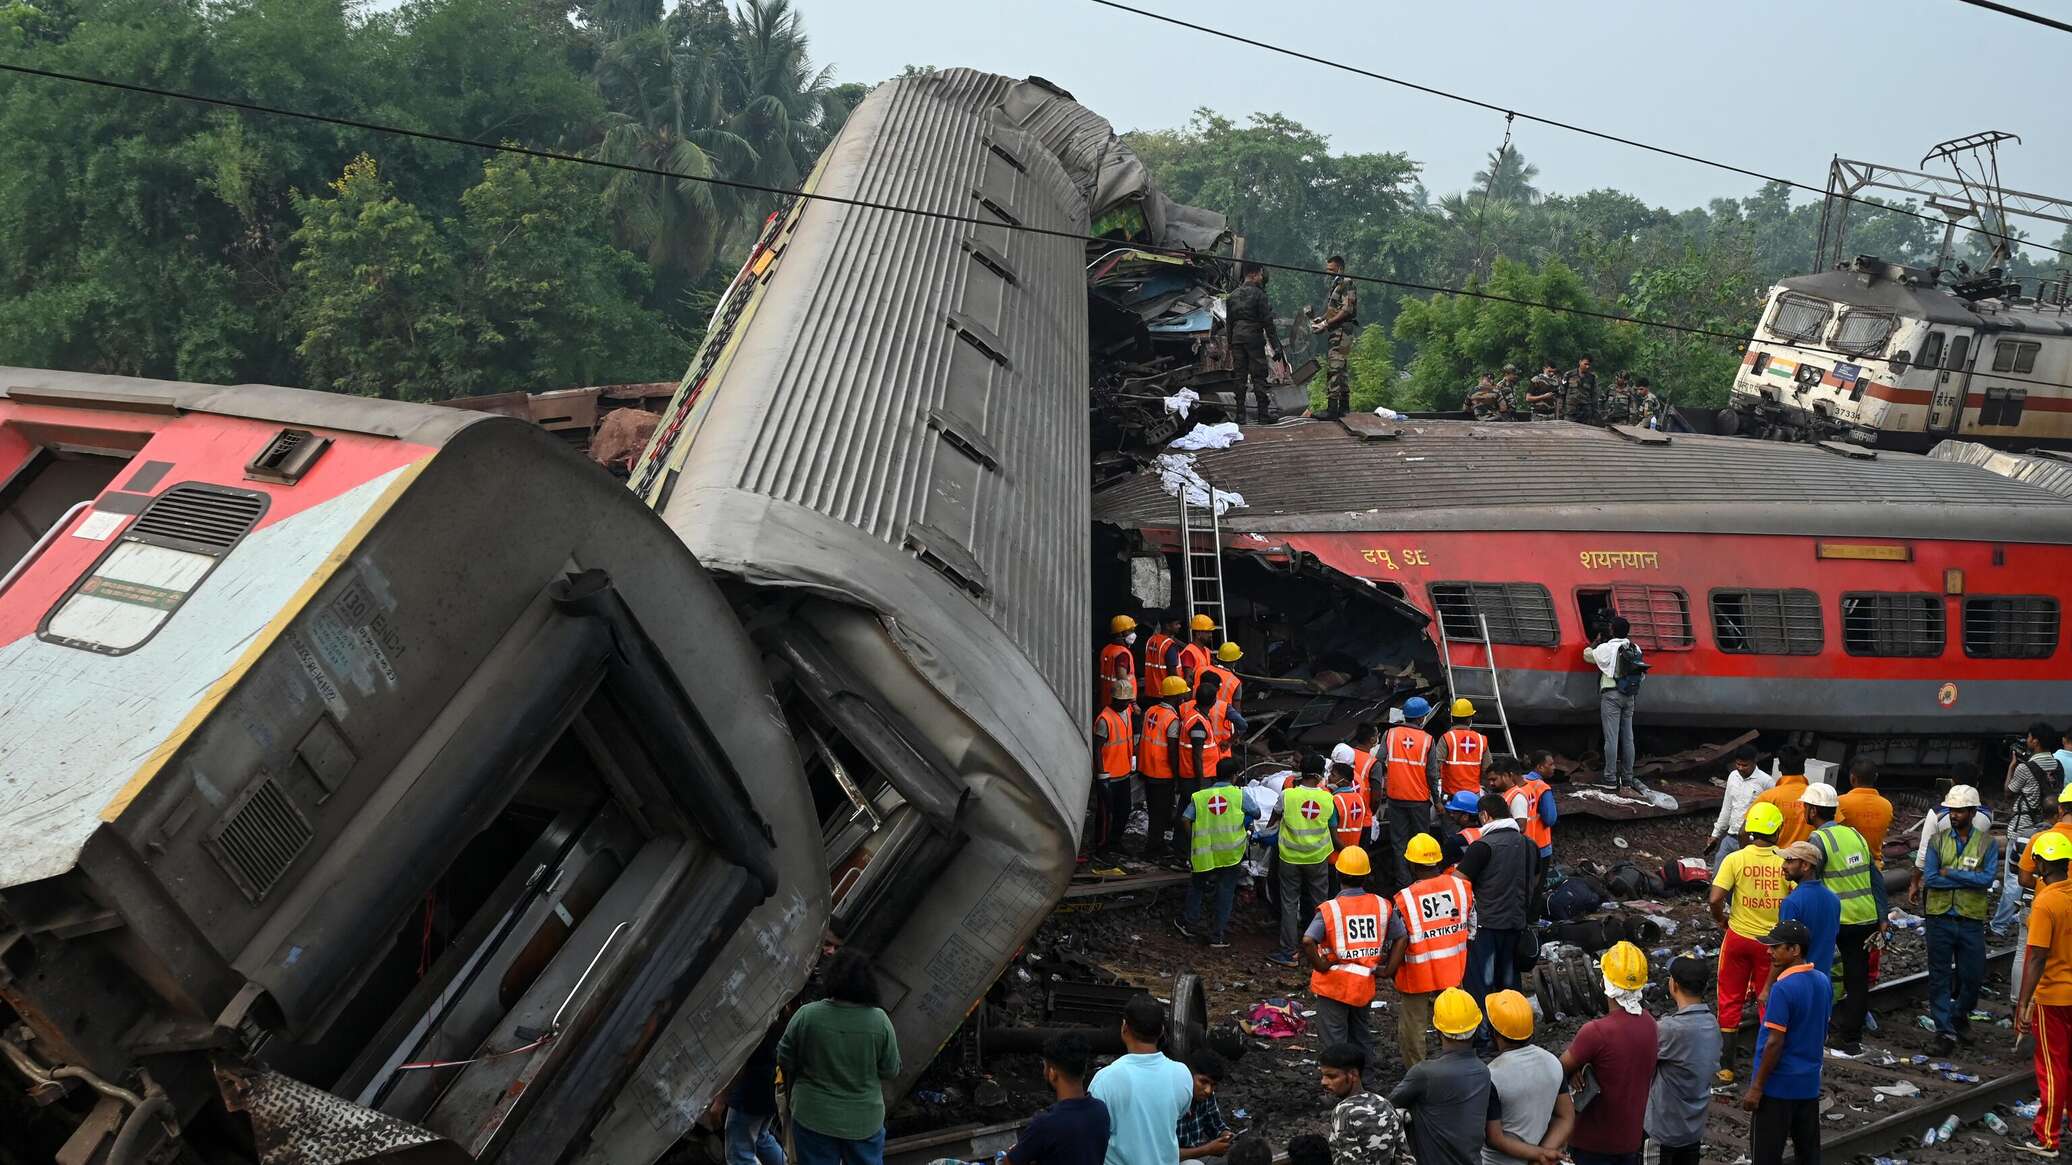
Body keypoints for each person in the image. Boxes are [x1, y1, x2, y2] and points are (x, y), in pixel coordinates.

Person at [779, 949, 901, 1165]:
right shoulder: (879, 1021)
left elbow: (785, 1058)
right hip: (864, 1121)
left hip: (812, 1115)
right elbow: (891, 1069)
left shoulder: (808, 1015)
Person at [1559, 943, 1657, 1165]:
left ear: (1604, 983)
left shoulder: (1596, 1032)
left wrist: (1575, 1068)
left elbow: (1557, 1070)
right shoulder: (1651, 1025)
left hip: (1593, 1144)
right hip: (1630, 1140)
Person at [1801, 783, 1881, 1054]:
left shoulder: (1818, 841)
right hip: (1865, 916)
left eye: (1805, 807)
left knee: (1819, 972)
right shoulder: (1855, 834)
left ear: (1812, 811)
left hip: (1837, 919)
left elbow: (1810, 882)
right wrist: (1882, 916)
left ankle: (1818, 1027)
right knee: (1857, 979)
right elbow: (1875, 877)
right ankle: (1850, 1038)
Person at [1709, 802, 1786, 1083]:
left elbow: (1715, 898)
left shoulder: (1735, 859)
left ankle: (1726, 1068)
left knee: (1729, 1000)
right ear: (1778, 829)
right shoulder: (1784, 860)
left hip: (1738, 938)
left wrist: (1721, 919)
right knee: (1769, 1002)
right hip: (1772, 945)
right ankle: (1764, 1068)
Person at [1742, 921, 1829, 1165]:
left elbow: (1774, 1043)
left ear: (1795, 950)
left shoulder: (1783, 989)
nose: (1769, 951)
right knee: (1808, 1155)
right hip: (1808, 1085)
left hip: (1777, 1087)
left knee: (1766, 1157)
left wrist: (1757, 1087)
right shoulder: (1822, 981)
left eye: (1776, 947)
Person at [1921, 783, 1998, 1057]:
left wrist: (1949, 873)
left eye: (1960, 811)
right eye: (1951, 811)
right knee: (1939, 976)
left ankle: (1958, 1013)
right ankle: (1944, 1030)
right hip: (1939, 917)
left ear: (1972, 812)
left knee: (1973, 976)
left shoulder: (1987, 844)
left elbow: (1987, 880)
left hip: (1970, 919)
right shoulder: (1936, 841)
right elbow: (1930, 878)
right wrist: (1966, 879)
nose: (1953, 816)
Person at [1302, 846, 1396, 1059]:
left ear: (1338, 873)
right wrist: (1388, 969)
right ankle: (1365, 1080)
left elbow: (1308, 940)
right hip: (1363, 984)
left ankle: (1339, 1083)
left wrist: (1320, 964)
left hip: (1333, 984)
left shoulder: (1331, 908)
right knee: (1361, 1034)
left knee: (1334, 1041)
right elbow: (1401, 936)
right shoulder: (1381, 905)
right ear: (1367, 875)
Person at [1390, 834, 1474, 1069]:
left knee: (1413, 1028)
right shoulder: (1460, 887)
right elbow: (1473, 925)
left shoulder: (1405, 898)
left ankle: (1417, 1072)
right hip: (1453, 968)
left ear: (1412, 864)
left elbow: (1397, 938)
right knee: (1454, 1019)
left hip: (1418, 973)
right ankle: (1457, 1063)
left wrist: (1389, 968)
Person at [2016, 830, 2072, 1157]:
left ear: (2039, 864)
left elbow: (2036, 956)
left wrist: (2024, 1003)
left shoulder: (2047, 901)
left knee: (2053, 1067)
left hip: (2053, 998)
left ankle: (2046, 1137)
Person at [1389, 989, 1493, 1165]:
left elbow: (1390, 1105)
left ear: (1438, 1029)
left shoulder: (1424, 1073)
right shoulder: (1483, 1071)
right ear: (1475, 1028)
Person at [1089, 995, 1195, 1165]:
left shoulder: (1105, 1079)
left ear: (1124, 1028)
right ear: (1161, 1031)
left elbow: (1093, 1134)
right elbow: (1178, 1114)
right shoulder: (1182, 1074)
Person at [1458, 793, 1536, 1003]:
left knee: (1482, 986)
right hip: (1516, 923)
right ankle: (1513, 1028)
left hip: (1486, 926)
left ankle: (1484, 1034)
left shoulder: (1483, 846)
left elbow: (1457, 881)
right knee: (1510, 985)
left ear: (1484, 815)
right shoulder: (1529, 844)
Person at [1482, 989, 1574, 1165]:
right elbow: (1566, 1117)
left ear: (1495, 1033)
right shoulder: (1552, 1063)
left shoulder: (1492, 1075)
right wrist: (1542, 1155)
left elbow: (1494, 1138)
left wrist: (1539, 1155)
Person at [1644, 958, 1720, 1165]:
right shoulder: (1711, 1023)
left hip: (1662, 1131)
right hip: (1694, 1129)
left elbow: (1641, 1066)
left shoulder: (1669, 1028)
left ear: (1674, 984)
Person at [1179, 759, 1260, 948]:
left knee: (1197, 886)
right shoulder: (1239, 795)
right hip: (1231, 852)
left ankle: (1189, 924)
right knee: (1225, 891)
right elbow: (1256, 813)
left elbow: (1184, 818)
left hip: (1205, 851)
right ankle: (1217, 935)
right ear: (1234, 776)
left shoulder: (1200, 796)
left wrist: (1194, 838)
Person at [1268, 756, 1336, 967]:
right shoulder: (1327, 798)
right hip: (1317, 857)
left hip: (1289, 857)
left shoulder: (1287, 795)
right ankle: (1318, 948)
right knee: (1319, 904)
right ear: (1318, 775)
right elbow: (1332, 827)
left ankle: (1289, 953)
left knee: (1289, 903)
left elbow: (1274, 819)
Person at [1998, 724, 2065, 939]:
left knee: (2014, 879)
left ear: (2035, 741)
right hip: (2049, 828)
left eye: (2028, 737)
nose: (2027, 740)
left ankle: (1999, 926)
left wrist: (2011, 767)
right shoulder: (2058, 765)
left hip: (2023, 828)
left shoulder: (2024, 768)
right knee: (2045, 874)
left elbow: (2009, 793)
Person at [1006, 1032, 1111, 1165]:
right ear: (1084, 1069)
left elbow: (1008, 1162)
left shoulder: (1045, 1123)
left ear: (1052, 1073)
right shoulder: (1100, 1111)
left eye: (1045, 1066)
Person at [2016, 786, 2072, 1002]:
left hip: (2044, 911)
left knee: (2030, 957)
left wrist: (2044, 886)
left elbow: (2023, 878)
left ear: (2060, 809)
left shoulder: (2041, 838)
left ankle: (2022, 1008)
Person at [1380, 696, 1440, 892]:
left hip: (1395, 799)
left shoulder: (1390, 734)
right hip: (1419, 801)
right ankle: (1423, 884)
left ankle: (1403, 885)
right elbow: (1432, 775)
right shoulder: (1428, 740)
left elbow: (1379, 761)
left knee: (1399, 843)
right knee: (1423, 841)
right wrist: (1437, 800)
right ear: (1422, 718)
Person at [1770, 841, 1840, 999]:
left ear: (1806, 865)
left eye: (1789, 861)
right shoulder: (1833, 899)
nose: (1783, 866)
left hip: (1797, 985)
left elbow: (1783, 949)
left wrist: (1768, 987)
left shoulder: (1792, 902)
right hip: (1823, 983)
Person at [1319, 1042, 1407, 1165]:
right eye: (1322, 1075)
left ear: (1353, 1075)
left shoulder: (1343, 1111)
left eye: (1331, 1076)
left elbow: (1351, 1160)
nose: (1324, 1082)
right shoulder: (1384, 1103)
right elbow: (1404, 1155)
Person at [1582, 616, 1639, 791]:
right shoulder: (1634, 647)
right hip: (1629, 696)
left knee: (1611, 739)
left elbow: (1586, 655)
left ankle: (1610, 778)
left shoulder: (1606, 648)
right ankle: (1628, 779)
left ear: (1612, 630)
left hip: (1611, 695)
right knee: (1628, 738)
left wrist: (1595, 642)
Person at [1224, 262, 1280, 425]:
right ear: (1255, 274)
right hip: (1254, 339)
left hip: (1236, 339)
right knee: (1259, 375)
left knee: (1239, 377)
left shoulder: (1232, 296)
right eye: (1261, 274)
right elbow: (1268, 323)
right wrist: (1276, 345)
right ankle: (1263, 414)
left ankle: (1240, 415)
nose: (1262, 278)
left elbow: (1229, 323)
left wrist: (1230, 343)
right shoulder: (1259, 295)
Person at [1173, 676, 1221, 861]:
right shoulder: (1198, 722)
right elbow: (1197, 754)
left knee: (1185, 812)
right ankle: (1186, 851)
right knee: (1192, 816)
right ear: (1213, 701)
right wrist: (1202, 783)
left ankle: (1180, 849)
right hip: (1196, 778)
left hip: (1191, 776)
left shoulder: (1195, 716)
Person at [725, 1023, 787, 1165]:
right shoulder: (783, 1018)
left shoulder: (758, 1017)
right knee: (760, 1137)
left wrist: (722, 1098)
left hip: (751, 1089)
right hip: (771, 1084)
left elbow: (742, 1057)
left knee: (739, 1153)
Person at [1139, 677, 1187, 860]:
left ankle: (1155, 843)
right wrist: (1177, 776)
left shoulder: (1151, 710)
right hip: (1162, 772)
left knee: (1154, 810)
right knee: (1161, 811)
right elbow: (1173, 751)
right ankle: (1154, 848)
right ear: (1176, 696)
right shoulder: (1172, 720)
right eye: (1182, 693)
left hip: (1147, 769)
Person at [1708, 745, 1772, 872]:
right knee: (1718, 871)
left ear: (1754, 762)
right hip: (1731, 836)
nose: (1740, 768)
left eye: (1745, 765)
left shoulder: (1766, 782)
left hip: (1751, 841)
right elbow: (1727, 807)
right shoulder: (1733, 776)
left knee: (1743, 875)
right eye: (1738, 764)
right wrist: (1715, 834)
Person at [1312, 256, 1358, 419]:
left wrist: (1326, 324)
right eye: (1327, 270)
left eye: (1331, 270)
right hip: (1336, 331)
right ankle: (1344, 408)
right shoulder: (1336, 284)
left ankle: (1332, 410)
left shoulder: (1346, 283)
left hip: (1342, 332)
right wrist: (1322, 319)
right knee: (1341, 369)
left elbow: (1346, 310)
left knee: (1335, 367)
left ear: (1340, 268)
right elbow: (1334, 309)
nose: (1328, 273)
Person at [1091, 696, 1137, 859]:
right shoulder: (1104, 719)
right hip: (1109, 776)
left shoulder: (1126, 711)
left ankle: (1115, 841)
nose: (1126, 704)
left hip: (1123, 772)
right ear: (1115, 700)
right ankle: (1101, 847)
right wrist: (1101, 773)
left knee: (1124, 810)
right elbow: (1097, 749)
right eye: (1123, 701)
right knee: (1105, 813)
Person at [1749, 746, 1812, 850]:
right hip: (1806, 861)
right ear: (1803, 768)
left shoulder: (1767, 797)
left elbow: (1744, 831)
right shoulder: (1818, 797)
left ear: (1779, 767)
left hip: (1775, 860)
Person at [1175, 1051, 1231, 1162]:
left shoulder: (1207, 1096)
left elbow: (1217, 1127)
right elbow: (1164, 1154)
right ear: (1188, 1075)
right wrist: (1207, 1150)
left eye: (1213, 1085)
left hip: (1198, 1154)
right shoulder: (1172, 1100)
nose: (1208, 1090)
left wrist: (1227, 1136)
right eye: (1203, 1082)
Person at [1438, 699, 1490, 799]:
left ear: (1452, 718)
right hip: (1473, 796)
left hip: (1451, 796)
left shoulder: (1447, 738)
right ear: (1470, 719)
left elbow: (1435, 766)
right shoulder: (1481, 739)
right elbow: (1487, 769)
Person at [1329, 759, 1372, 858]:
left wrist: (1348, 855)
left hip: (1336, 857)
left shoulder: (1335, 800)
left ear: (1343, 782)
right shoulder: (1359, 799)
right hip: (1353, 856)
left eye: (1333, 775)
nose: (1329, 778)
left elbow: (1334, 838)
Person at [1142, 613, 1183, 708]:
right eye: (1176, 624)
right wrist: (1180, 694)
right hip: (1166, 694)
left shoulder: (1151, 640)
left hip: (1150, 692)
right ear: (1167, 626)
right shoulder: (1169, 645)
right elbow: (1172, 672)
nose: (1179, 626)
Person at [1438, 789, 1484, 869]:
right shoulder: (1487, 833)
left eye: (1455, 812)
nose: (1451, 815)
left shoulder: (1455, 841)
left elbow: (1442, 865)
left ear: (1466, 816)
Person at [1099, 616, 1140, 707]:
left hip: (1106, 700)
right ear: (1121, 634)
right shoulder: (1122, 654)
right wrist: (1133, 703)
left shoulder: (1107, 649)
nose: (1133, 634)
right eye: (1130, 630)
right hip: (1121, 704)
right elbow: (1123, 680)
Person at [1561, 356, 1599, 424]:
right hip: (1570, 413)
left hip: (1585, 414)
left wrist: (1595, 414)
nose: (1587, 366)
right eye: (1585, 364)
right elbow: (1562, 393)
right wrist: (1560, 412)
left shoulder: (1592, 378)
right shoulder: (1569, 375)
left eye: (1589, 365)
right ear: (1580, 362)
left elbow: (1594, 397)